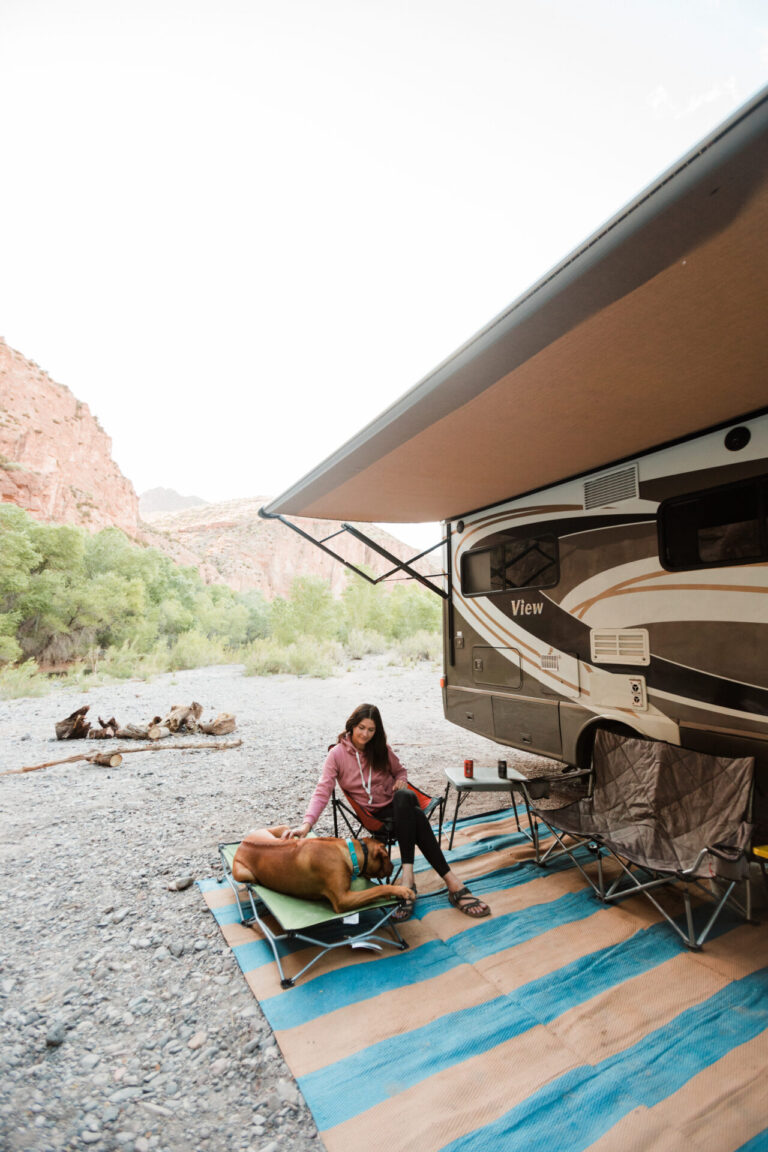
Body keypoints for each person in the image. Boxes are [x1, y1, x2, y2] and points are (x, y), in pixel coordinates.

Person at [283, 703, 491, 921]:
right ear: (352, 726)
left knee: (405, 797)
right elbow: (322, 790)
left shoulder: (380, 748)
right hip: (374, 817)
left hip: (398, 805)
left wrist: (401, 781)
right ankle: (453, 883)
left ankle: (408, 880)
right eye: (362, 728)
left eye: (371, 730)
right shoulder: (336, 755)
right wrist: (307, 824)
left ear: (377, 731)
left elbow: (400, 771)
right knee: (416, 815)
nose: (365, 734)